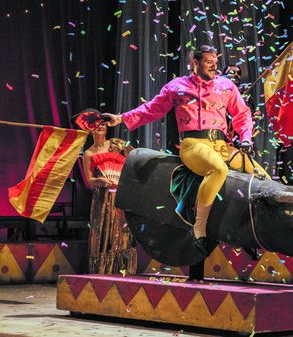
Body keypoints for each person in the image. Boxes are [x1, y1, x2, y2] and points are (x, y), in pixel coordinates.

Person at [105, 45, 268, 255]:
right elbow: (152, 109)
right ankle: (200, 230)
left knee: (262, 177)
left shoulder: (226, 86)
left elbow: (243, 114)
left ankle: (250, 233)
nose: (214, 66)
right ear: (195, 63)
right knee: (218, 170)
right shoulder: (177, 86)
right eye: (209, 62)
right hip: (193, 144)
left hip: (222, 146)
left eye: (215, 62)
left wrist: (246, 138)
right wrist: (120, 118)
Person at [77, 111, 136, 274]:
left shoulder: (117, 144)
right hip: (102, 199)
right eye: (96, 125)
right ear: (91, 130)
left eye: (103, 124)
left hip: (120, 196)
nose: (100, 127)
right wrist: (101, 181)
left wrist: (125, 180)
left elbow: (135, 160)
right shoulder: (88, 154)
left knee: (121, 232)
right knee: (102, 232)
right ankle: (102, 270)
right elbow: (90, 181)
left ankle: (122, 269)